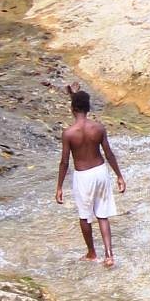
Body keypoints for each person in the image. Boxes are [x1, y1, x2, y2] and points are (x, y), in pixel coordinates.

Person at [55, 86, 124, 267]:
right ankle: (109, 255)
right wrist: (119, 176)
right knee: (103, 215)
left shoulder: (68, 133)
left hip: (83, 175)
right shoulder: (98, 128)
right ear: (89, 108)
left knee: (85, 216)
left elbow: (64, 162)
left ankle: (92, 253)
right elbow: (109, 154)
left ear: (72, 109)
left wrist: (59, 187)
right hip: (101, 171)